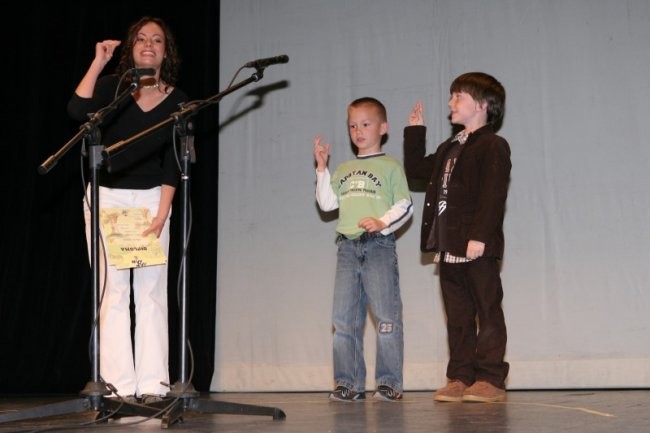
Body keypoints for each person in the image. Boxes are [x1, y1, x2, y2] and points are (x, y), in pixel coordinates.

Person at [67, 16, 187, 404]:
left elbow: (174, 162)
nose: (148, 44)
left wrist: (163, 211)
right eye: (141, 39)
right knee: (113, 293)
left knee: (151, 292)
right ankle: (119, 385)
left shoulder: (178, 99)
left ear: (166, 51)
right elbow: (76, 109)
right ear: (132, 48)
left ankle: (153, 385)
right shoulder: (112, 90)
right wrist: (100, 61)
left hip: (153, 200)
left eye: (157, 40)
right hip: (107, 200)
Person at [403, 72, 511, 403]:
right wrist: (415, 133)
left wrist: (479, 237)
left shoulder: (493, 145)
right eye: (452, 97)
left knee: (487, 310)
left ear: (482, 105)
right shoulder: (450, 146)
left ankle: (490, 377)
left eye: (458, 97)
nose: (451, 103)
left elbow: (493, 194)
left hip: (476, 247)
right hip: (449, 247)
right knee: (459, 315)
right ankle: (460, 376)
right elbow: (417, 172)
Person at [314, 97, 413, 402]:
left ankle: (389, 383)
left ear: (383, 128)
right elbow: (328, 204)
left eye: (366, 124)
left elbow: (405, 205)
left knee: (386, 317)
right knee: (343, 321)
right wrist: (322, 169)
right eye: (353, 125)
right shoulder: (343, 168)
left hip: (378, 247)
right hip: (347, 248)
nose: (358, 130)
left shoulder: (390, 166)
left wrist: (382, 222)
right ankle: (349, 383)